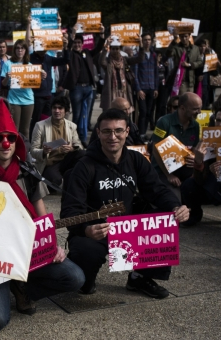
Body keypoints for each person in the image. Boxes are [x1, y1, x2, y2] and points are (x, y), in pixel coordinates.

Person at [0, 99, 85, 332]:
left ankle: (23, 287)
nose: (5, 144)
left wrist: (53, 245)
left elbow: (42, 217)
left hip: (27, 253)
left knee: (75, 277)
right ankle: (10, 283)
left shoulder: (28, 173)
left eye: (11, 138)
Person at [61, 108, 190, 298]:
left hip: (129, 228)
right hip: (97, 230)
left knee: (165, 222)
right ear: (98, 133)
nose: (113, 136)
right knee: (84, 249)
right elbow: (69, 211)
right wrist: (86, 229)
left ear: (127, 132)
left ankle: (139, 277)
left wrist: (176, 206)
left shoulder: (136, 159)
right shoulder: (84, 166)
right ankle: (86, 280)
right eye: (107, 131)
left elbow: (157, 189)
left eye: (118, 130)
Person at [151, 92, 201, 201]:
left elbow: (194, 148)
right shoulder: (163, 122)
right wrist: (169, 175)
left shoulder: (196, 125)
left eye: (200, 108)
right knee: (174, 199)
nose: (199, 112)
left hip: (184, 169)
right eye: (195, 109)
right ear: (182, 108)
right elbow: (155, 150)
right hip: (163, 170)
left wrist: (194, 158)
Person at [27, 16, 70, 137]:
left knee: (47, 121)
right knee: (35, 122)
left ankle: (44, 141)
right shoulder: (30, 58)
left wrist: (66, 47)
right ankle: (32, 143)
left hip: (48, 96)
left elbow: (65, 60)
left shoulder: (48, 58)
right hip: (36, 96)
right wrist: (29, 25)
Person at [62, 26, 105, 145]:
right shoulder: (71, 54)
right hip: (77, 89)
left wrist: (102, 35)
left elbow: (98, 48)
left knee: (85, 115)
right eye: (75, 43)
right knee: (76, 115)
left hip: (88, 88)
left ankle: (82, 138)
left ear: (83, 43)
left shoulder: (87, 53)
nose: (77, 45)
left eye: (79, 43)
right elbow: (68, 48)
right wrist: (73, 35)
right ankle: (73, 139)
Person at [30, 95, 83, 185]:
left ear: (66, 111)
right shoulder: (40, 126)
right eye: (54, 108)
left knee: (82, 154)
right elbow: (33, 151)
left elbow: (79, 146)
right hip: (50, 162)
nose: (57, 111)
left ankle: (73, 177)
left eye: (60, 108)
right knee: (54, 182)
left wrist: (71, 148)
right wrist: (44, 152)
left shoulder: (71, 126)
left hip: (66, 160)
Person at [1, 40, 46, 139]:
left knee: (25, 129)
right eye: (17, 48)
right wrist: (7, 77)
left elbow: (35, 84)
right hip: (14, 100)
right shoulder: (8, 63)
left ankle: (25, 151)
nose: (20, 50)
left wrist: (41, 77)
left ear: (25, 50)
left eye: (22, 48)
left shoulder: (30, 65)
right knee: (14, 128)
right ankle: (14, 150)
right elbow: (3, 84)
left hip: (28, 100)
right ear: (14, 50)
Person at [181, 116, 221, 226]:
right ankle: (194, 214)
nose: (220, 124)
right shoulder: (206, 142)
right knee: (188, 185)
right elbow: (198, 180)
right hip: (213, 187)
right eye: (218, 120)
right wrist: (199, 163)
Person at [99, 36, 144, 115]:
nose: (115, 51)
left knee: (125, 113)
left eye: (117, 48)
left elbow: (139, 59)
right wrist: (106, 46)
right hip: (112, 92)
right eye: (113, 49)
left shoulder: (125, 60)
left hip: (124, 92)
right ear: (110, 49)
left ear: (120, 49)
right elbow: (101, 62)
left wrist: (140, 44)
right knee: (111, 114)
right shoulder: (108, 61)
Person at [133, 33, 159, 136]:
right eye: (145, 40)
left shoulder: (154, 55)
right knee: (142, 112)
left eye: (149, 40)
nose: (147, 42)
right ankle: (140, 134)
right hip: (142, 88)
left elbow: (156, 72)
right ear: (141, 41)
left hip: (151, 87)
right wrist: (138, 89)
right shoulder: (137, 55)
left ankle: (144, 133)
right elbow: (135, 74)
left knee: (149, 112)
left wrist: (156, 88)